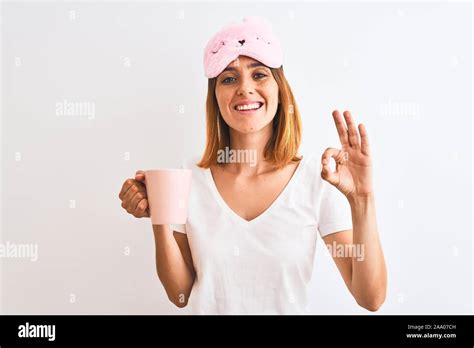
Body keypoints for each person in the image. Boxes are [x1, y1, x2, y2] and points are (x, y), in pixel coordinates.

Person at [118, 16, 387, 314]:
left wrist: (362, 198)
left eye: (259, 74)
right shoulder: (189, 176)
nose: (245, 88)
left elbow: (370, 298)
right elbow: (180, 294)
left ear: (279, 89)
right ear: (215, 96)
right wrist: (160, 216)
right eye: (229, 78)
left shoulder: (316, 178)